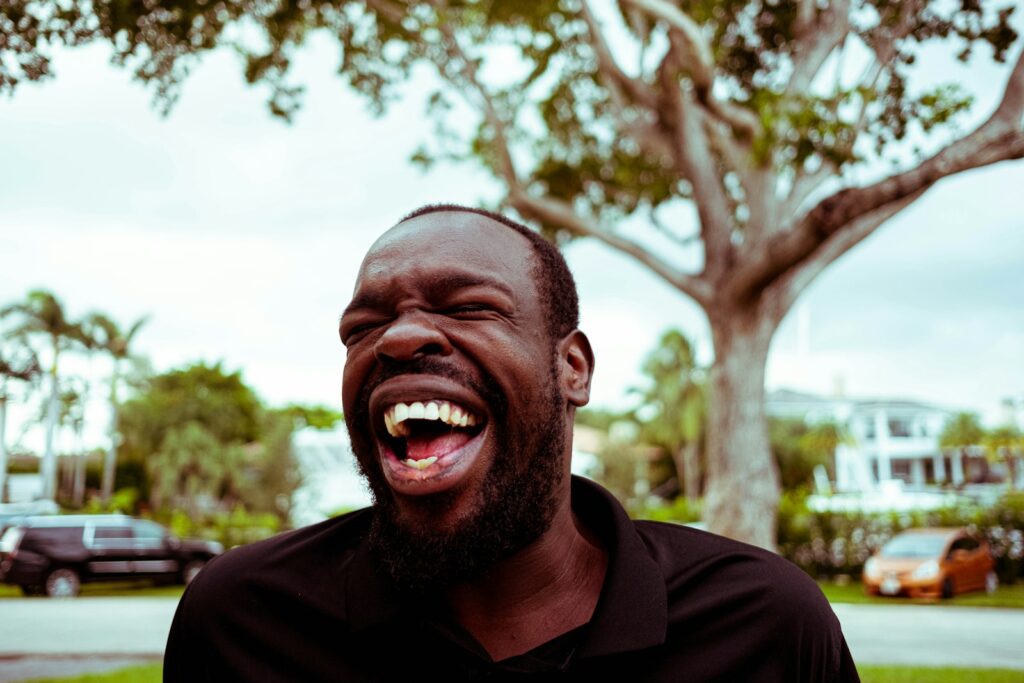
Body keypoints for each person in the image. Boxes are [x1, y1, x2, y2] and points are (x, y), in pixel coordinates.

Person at [164, 205, 860, 682]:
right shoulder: (240, 622)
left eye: (469, 306)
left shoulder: (764, 624)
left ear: (573, 368)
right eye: (363, 326)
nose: (398, 338)